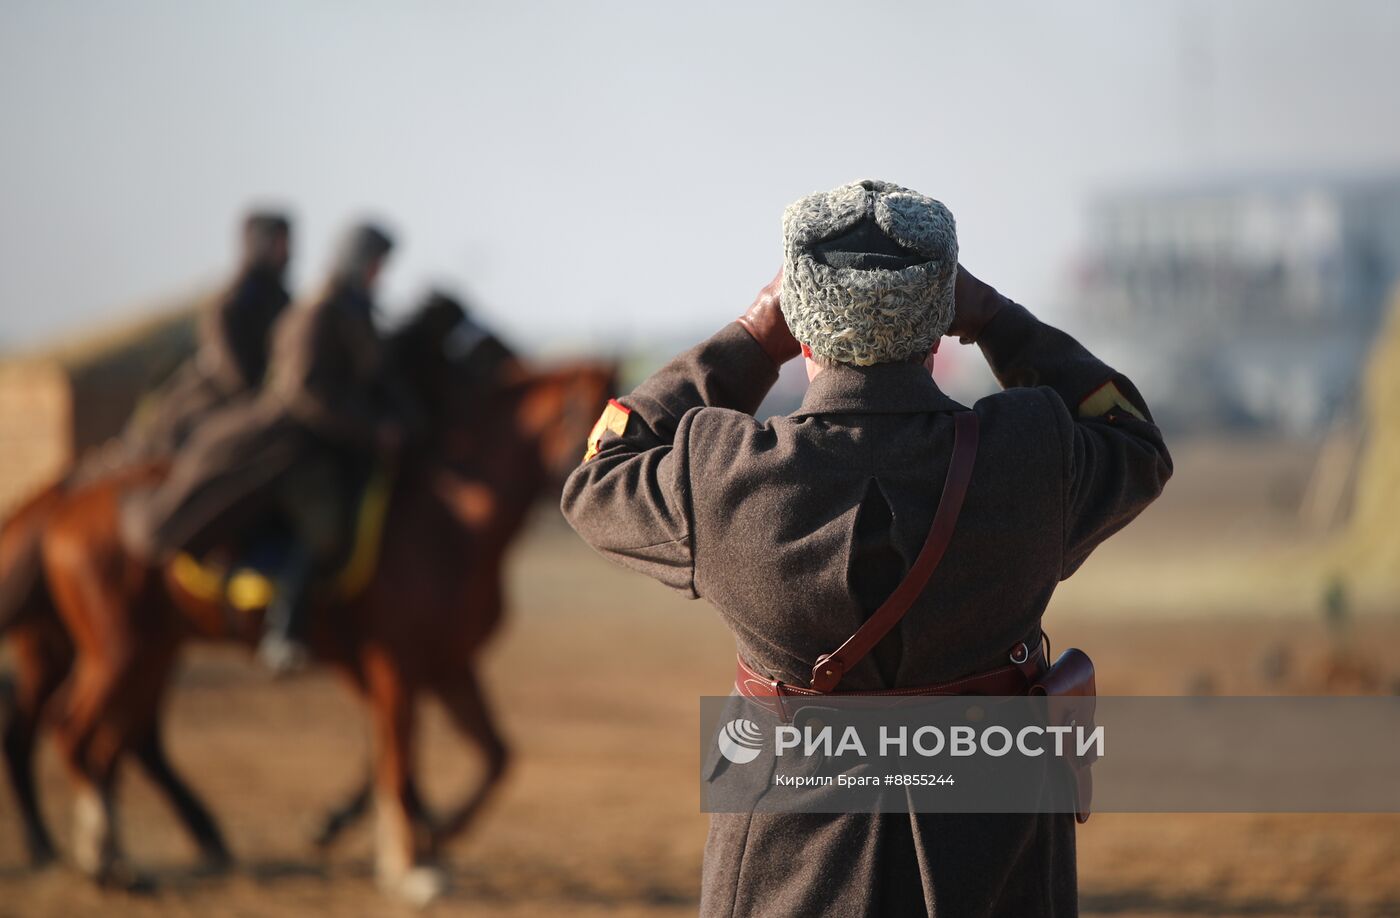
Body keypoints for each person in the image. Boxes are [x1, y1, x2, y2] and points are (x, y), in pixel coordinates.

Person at [560, 179, 1172, 917]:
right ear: (941, 318)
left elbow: (600, 473)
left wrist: (753, 338)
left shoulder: (725, 471)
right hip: (996, 863)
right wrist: (997, 319)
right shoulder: (1029, 454)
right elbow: (1134, 439)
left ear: (802, 328)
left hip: (786, 866)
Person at [121, 222, 410, 674]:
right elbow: (305, 390)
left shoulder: (357, 311)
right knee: (326, 528)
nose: (380, 273)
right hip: (292, 445)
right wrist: (371, 429)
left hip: (339, 445)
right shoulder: (317, 312)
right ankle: (285, 626)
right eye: (375, 263)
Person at [122, 211, 293, 463]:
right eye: (280, 243)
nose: (287, 252)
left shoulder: (283, 301)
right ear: (261, 244)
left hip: (264, 408)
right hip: (209, 409)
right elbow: (233, 375)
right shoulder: (230, 304)